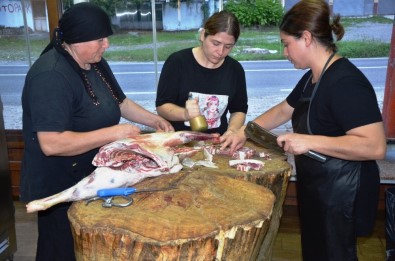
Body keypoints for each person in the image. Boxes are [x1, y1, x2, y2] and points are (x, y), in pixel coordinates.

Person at [221, 1, 387, 260]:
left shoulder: (346, 82)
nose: (285, 52)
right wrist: (244, 131)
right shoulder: (314, 76)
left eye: (286, 44)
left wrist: (309, 141)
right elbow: (283, 110)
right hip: (318, 187)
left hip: (342, 192)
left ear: (306, 38)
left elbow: (374, 145)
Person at [20, 3, 173, 260]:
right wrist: (113, 133)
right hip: (59, 184)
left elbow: (120, 102)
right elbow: (51, 143)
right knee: (63, 249)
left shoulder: (95, 62)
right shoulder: (51, 76)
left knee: (93, 246)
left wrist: (154, 120)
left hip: (89, 173)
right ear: (76, 40)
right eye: (100, 39)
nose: (106, 45)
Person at [155, 10, 248, 137]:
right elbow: (162, 106)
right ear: (203, 35)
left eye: (228, 46)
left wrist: (232, 131)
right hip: (179, 141)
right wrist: (185, 114)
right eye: (216, 43)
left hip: (217, 141)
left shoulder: (235, 70)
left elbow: (239, 109)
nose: (220, 52)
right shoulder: (178, 62)